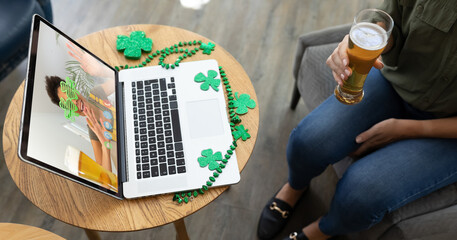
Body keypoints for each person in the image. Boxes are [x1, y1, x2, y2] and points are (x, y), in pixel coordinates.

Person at [257, 0, 457, 239]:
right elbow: (390, 23)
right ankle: (295, 186)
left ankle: (323, 230)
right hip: (398, 83)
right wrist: (359, 42)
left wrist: (406, 129)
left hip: (450, 134)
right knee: (307, 142)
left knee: (360, 197)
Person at [45, 41, 116, 175]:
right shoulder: (93, 132)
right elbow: (105, 179)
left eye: (71, 94)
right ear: (68, 110)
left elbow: (123, 76)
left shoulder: (96, 93)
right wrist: (105, 145)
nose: (75, 101)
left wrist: (102, 71)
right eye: (69, 103)